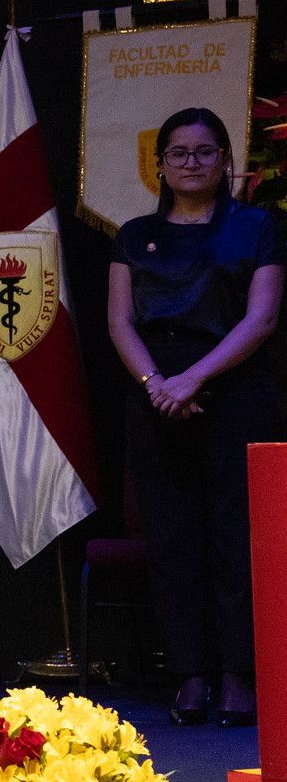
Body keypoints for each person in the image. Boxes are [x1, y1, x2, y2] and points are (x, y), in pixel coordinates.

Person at [108, 107, 282, 727]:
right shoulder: (132, 235)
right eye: (178, 153)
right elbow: (120, 322)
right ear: (160, 165)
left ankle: (239, 674)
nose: (191, 163)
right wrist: (159, 382)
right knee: (173, 540)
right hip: (156, 397)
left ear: (226, 160)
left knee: (238, 538)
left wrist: (194, 377)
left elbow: (260, 320)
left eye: (204, 152)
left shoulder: (259, 227)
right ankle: (189, 675)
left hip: (235, 393)